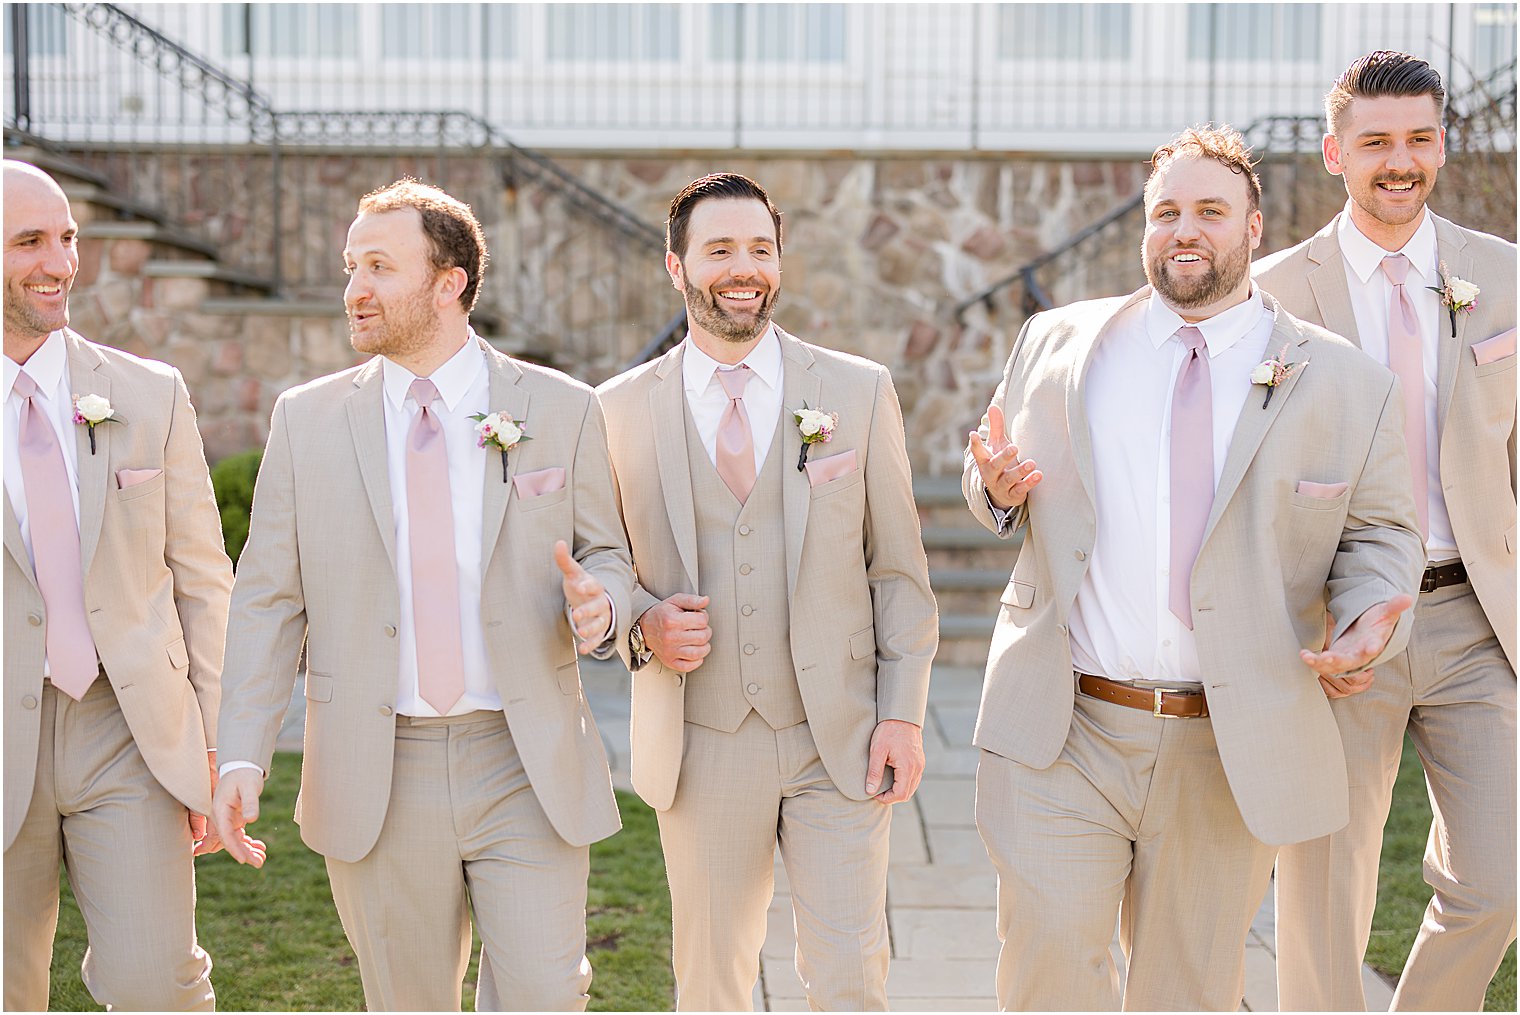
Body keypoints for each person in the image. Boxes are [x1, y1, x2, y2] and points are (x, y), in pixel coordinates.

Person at [963, 126, 1425, 1010]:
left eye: (1210, 211)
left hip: (1228, 738)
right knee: (1048, 970)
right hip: (1065, 726)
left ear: (1254, 227)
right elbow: (997, 487)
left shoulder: (1344, 384)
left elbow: (1378, 535)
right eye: (1165, 212)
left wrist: (1373, 618)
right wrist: (994, 491)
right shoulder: (1059, 345)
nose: (1185, 230)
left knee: (1189, 993)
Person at [210, 178, 633, 1012]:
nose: (353, 289)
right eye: (349, 266)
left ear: (451, 284)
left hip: (526, 755)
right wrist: (241, 752)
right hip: (376, 764)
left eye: (378, 265)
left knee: (548, 993)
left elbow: (608, 554)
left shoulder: (562, 408)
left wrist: (605, 603)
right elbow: (267, 599)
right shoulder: (307, 420)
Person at [595, 172, 937, 1011]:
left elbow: (897, 570)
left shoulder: (856, 392)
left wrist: (903, 712)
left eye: (760, 248)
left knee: (852, 974)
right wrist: (641, 624)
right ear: (675, 267)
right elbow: (595, 566)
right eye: (719, 250)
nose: (743, 268)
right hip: (702, 739)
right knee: (711, 978)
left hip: (842, 734)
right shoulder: (615, 411)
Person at [1255, 50, 1517, 1012]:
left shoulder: (1505, 276)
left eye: (1418, 139)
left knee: (1497, 884)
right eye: (1375, 143)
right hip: (1336, 627)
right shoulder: (1274, 294)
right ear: (1335, 154)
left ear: (1442, 145)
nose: (1398, 161)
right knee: (1324, 901)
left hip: (1478, 621)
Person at [2, 159, 236, 1010]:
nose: (59, 263)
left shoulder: (149, 393)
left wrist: (217, 742)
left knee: (157, 985)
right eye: (30, 241)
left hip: (129, 732)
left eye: (67, 238)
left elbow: (206, 582)